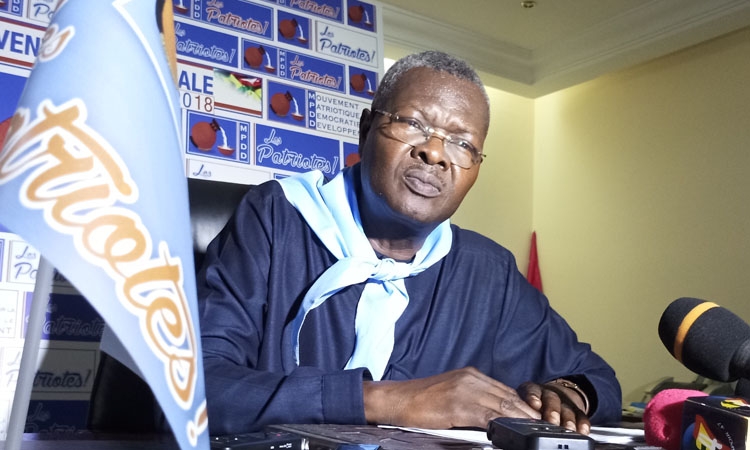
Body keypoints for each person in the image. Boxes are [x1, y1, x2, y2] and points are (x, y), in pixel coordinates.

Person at [197, 50, 622, 437]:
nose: (434, 153)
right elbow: (197, 384)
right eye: (414, 124)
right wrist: (388, 400)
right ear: (366, 129)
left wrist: (563, 395)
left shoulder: (488, 273)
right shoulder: (276, 218)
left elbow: (596, 379)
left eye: (462, 143)